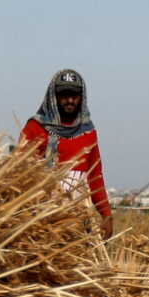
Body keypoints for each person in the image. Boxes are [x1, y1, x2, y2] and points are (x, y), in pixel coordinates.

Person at [21, 67, 113, 239]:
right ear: (53, 97)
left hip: (78, 216)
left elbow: (95, 176)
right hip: (41, 215)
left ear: (82, 98)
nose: (70, 100)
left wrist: (105, 213)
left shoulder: (88, 132)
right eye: (64, 95)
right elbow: (21, 173)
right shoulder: (35, 128)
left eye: (75, 96)